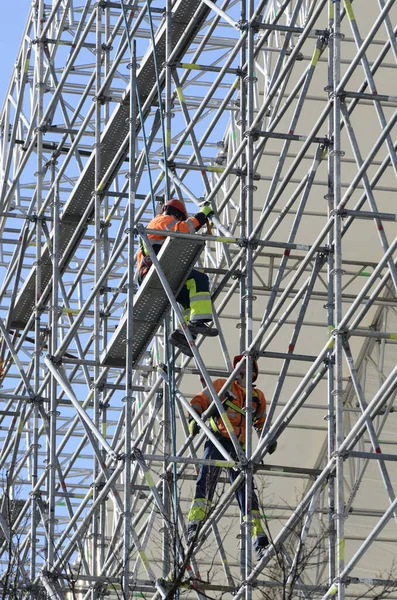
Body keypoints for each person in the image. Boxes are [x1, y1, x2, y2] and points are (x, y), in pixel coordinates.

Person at [186, 355, 277, 560]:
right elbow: (199, 400)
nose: (244, 372)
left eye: (248, 369)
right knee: (206, 479)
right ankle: (195, 524)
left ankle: (259, 540)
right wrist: (194, 418)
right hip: (218, 440)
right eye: (241, 368)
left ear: (254, 373)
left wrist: (267, 438)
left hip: (240, 448)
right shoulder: (221, 385)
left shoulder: (256, 396)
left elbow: (261, 421)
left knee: (246, 491)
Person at [136, 198, 218, 356]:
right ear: (177, 214)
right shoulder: (162, 220)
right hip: (156, 270)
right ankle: (197, 322)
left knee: (189, 301)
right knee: (200, 280)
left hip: (159, 271)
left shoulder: (160, 225)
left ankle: (182, 334)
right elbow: (183, 228)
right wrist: (202, 216)